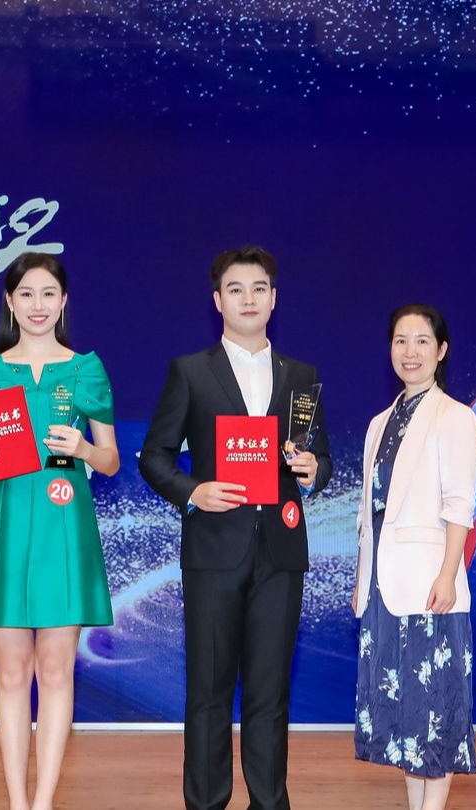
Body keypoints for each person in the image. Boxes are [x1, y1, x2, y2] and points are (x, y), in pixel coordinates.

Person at [140, 245, 331, 810]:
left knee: (270, 692)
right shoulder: (190, 371)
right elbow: (155, 456)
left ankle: (269, 802)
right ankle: (206, 803)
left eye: (259, 289)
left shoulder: (302, 375)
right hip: (213, 550)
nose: (248, 299)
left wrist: (314, 470)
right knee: (208, 691)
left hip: (280, 551)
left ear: (274, 299)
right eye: (236, 289)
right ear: (217, 300)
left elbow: (320, 456)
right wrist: (193, 492)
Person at [0, 252, 120, 810]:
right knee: (10, 671)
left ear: (64, 301)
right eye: (26, 294)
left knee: (55, 670)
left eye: (48, 293)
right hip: (4, 528)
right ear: (9, 301)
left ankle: (44, 800)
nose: (37, 305)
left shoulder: (86, 369)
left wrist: (84, 449)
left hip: (63, 527)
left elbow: (111, 461)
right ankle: (15, 800)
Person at [352, 304, 476, 810]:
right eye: (401, 340)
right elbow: (368, 516)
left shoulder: (455, 416)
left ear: (441, 350)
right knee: (404, 719)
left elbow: (460, 505)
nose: (410, 351)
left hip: (431, 585)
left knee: (436, 711)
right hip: (384, 588)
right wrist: (361, 581)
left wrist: (448, 574)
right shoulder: (379, 423)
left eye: (422, 341)